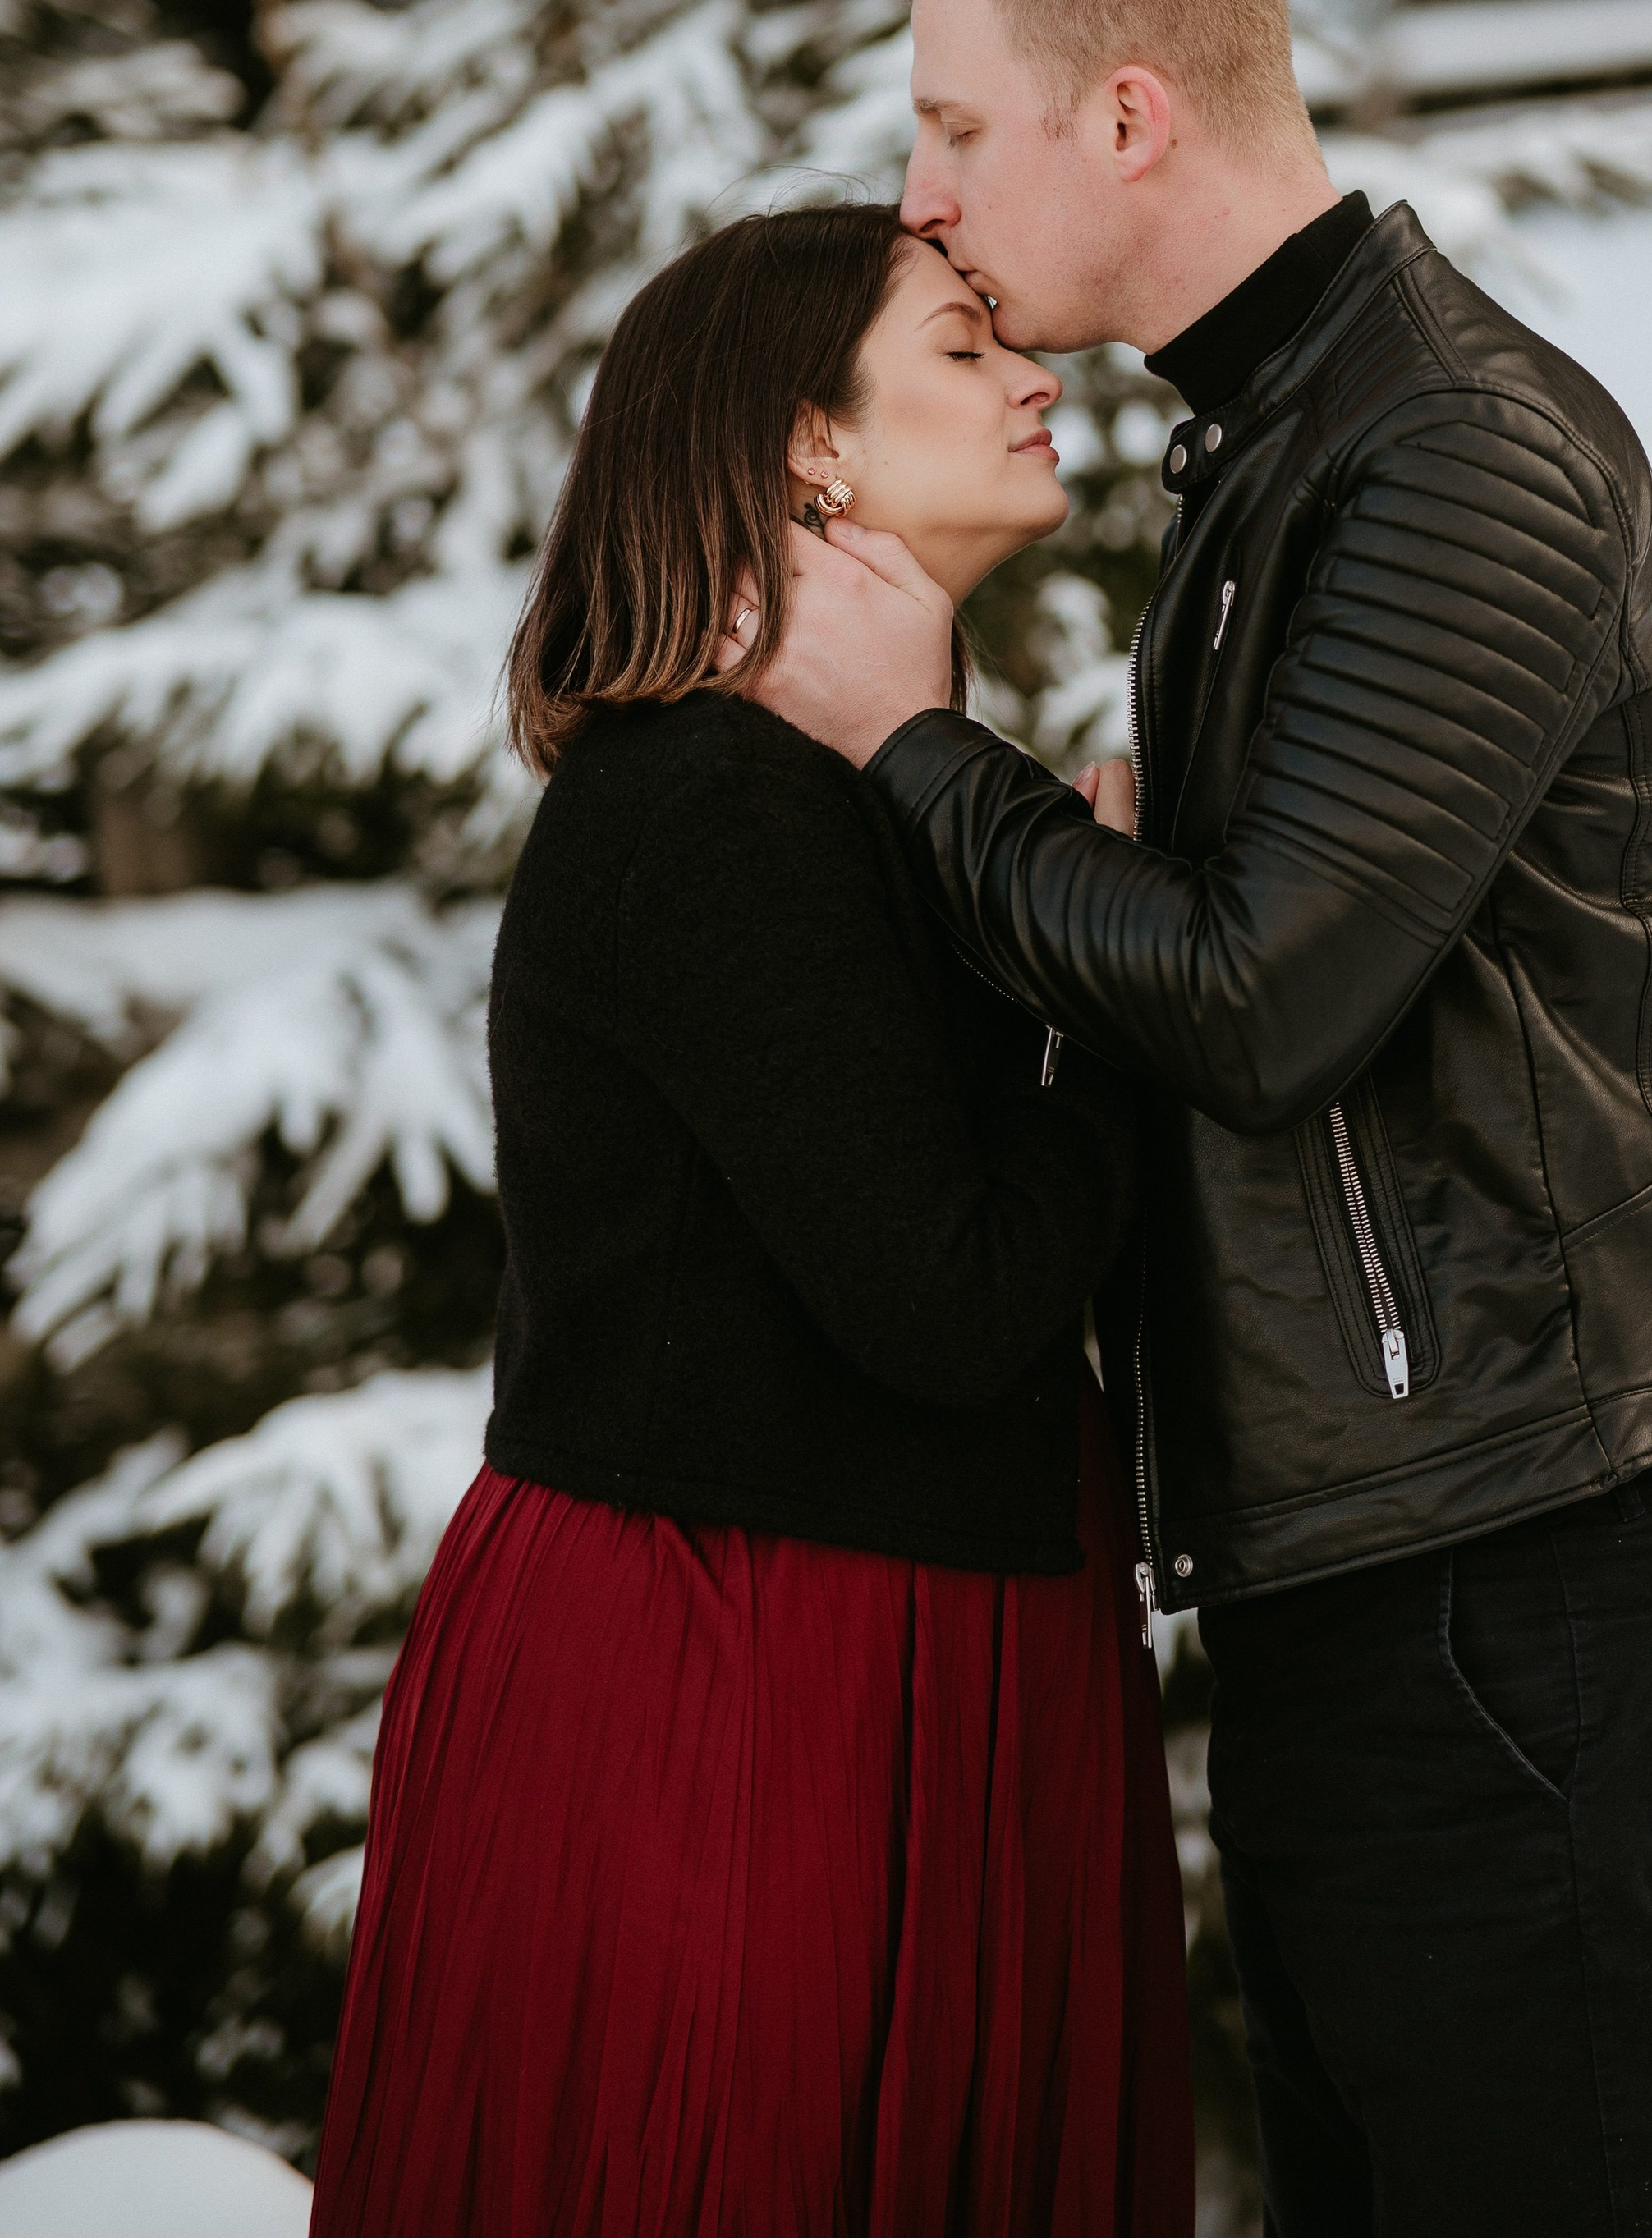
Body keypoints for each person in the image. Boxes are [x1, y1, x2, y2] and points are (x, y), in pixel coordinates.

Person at [739, 0, 1652, 2238]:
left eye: (951, 128)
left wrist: (919, 751)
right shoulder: (1273, 449)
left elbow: (1261, 1006)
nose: (917, 201)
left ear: (1129, 118)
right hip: (1397, 1559)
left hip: (1551, 1560)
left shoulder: (1447, 455)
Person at [309, 204, 1195, 2238]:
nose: (1035, 374)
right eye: (963, 347)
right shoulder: (707, 807)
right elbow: (952, 1294)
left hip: (906, 1643)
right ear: (810, 449)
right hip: (745, 1681)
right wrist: (1119, 999)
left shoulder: (854, 793)